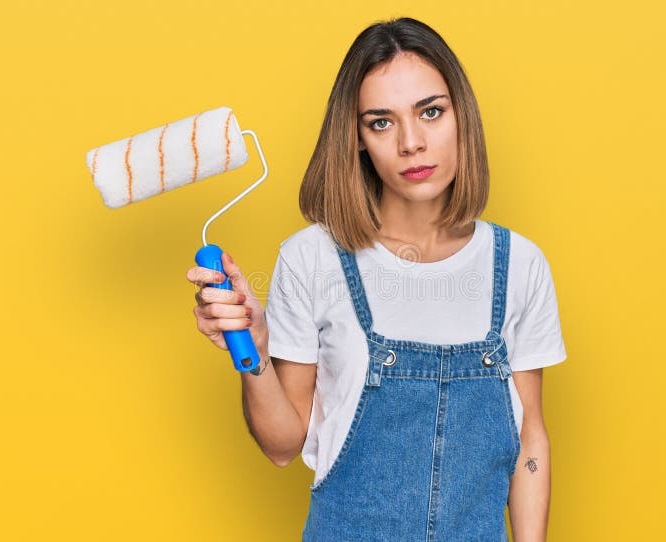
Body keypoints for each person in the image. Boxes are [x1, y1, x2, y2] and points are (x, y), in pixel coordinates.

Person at [187, 17, 567, 541]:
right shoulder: (312, 260)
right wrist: (252, 354)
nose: (412, 143)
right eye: (381, 122)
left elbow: (529, 442)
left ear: (462, 117)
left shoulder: (519, 265)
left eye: (430, 112)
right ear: (358, 138)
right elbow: (281, 446)